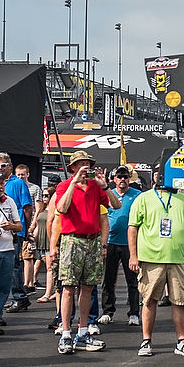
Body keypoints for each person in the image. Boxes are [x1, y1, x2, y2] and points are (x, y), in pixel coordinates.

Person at [52, 150, 119, 354]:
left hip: (93, 240)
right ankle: (65, 333)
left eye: (87, 164)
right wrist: (73, 183)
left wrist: (105, 186)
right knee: (68, 287)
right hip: (72, 240)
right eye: (80, 164)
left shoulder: (94, 186)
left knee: (88, 288)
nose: (85, 168)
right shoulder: (64, 186)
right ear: (72, 168)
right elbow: (62, 209)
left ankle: (82, 333)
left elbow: (116, 205)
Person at [127, 179, 184, 357]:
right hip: (151, 259)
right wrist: (133, 255)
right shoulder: (143, 198)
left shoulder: (183, 200)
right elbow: (132, 228)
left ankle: (181, 341)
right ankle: (146, 341)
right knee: (150, 299)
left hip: (180, 259)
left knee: (179, 301)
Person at [100, 166, 142, 326]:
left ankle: (133, 313)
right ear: (114, 179)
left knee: (133, 280)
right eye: (119, 176)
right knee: (108, 279)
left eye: (125, 176)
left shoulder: (137, 195)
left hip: (129, 244)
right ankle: (108, 311)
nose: (123, 179)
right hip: (110, 242)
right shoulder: (108, 194)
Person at [0, 153, 33, 314]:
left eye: (3, 165)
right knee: (5, 266)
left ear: (10, 166)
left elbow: (27, 207)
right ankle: (16, 297)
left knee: (14, 266)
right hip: (2, 231)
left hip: (17, 230)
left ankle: (20, 298)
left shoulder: (18, 183)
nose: (0, 168)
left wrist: (26, 229)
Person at [0, 171, 23, 335]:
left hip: (7, 251)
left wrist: (10, 226)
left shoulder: (11, 202)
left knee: (1, 289)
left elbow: (19, 226)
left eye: (2, 183)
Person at [14, 164, 42, 294]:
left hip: (30, 226)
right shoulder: (15, 186)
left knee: (28, 256)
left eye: (23, 174)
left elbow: (37, 208)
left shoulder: (34, 188)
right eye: (18, 174)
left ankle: (28, 284)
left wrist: (32, 225)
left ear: (28, 174)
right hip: (18, 227)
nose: (21, 177)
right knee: (20, 257)